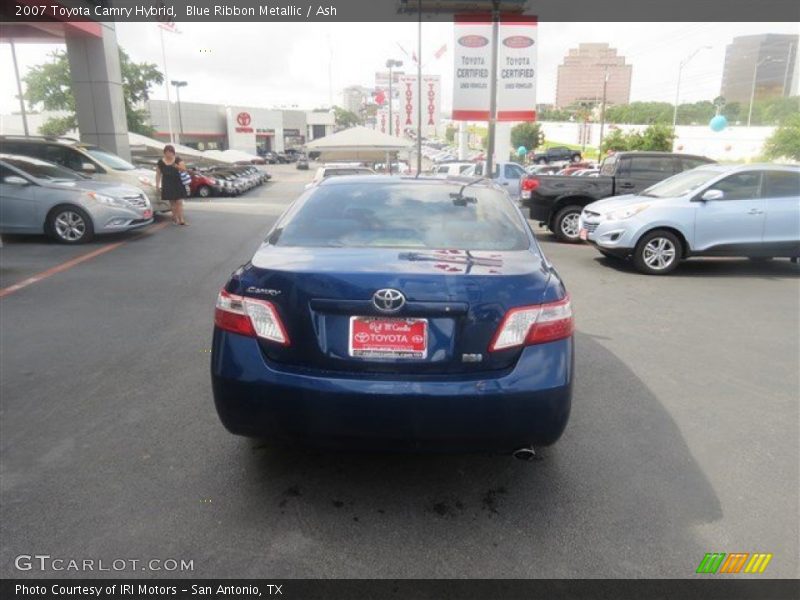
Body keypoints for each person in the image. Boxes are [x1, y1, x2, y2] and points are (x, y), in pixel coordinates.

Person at [155, 145, 188, 226]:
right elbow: (158, 174)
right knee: (172, 203)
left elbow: (184, 169)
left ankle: (181, 219)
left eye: (170, 152)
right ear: (164, 153)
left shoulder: (177, 159)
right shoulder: (161, 162)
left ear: (173, 153)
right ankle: (175, 218)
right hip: (167, 183)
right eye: (167, 152)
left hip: (178, 182)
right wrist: (157, 185)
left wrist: (177, 166)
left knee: (179, 201)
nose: (168, 154)